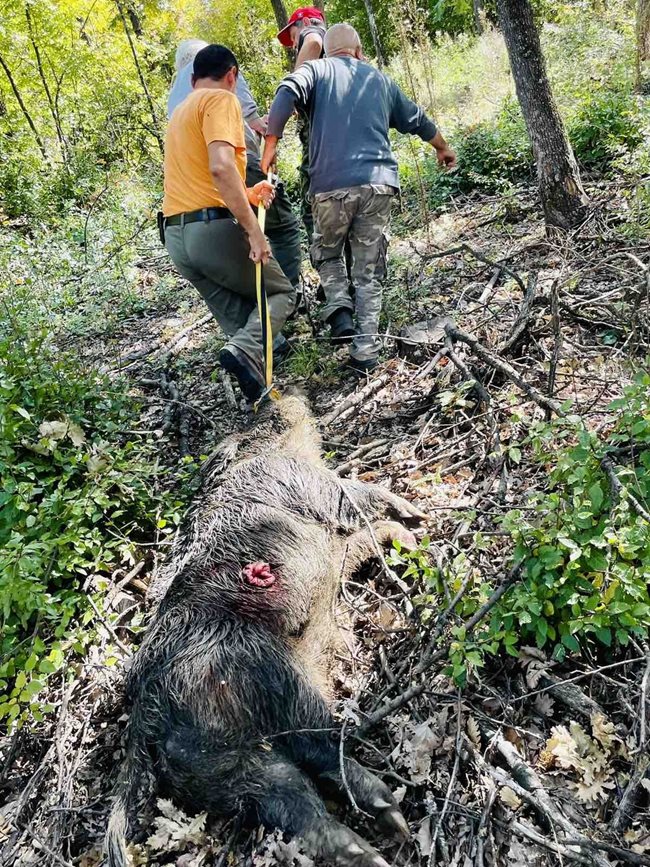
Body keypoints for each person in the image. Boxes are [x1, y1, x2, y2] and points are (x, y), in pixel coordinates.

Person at [264, 23, 456, 374]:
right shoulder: (379, 80)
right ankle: (365, 351)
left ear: (327, 49)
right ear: (359, 50)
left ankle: (338, 309)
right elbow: (418, 120)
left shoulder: (315, 70)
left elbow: (286, 91)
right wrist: (442, 148)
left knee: (327, 251)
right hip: (378, 185)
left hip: (330, 188)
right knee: (368, 271)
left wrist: (271, 143)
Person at [163, 44, 295, 402]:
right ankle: (246, 355)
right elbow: (220, 168)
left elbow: (202, 180)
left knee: (239, 319)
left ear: (192, 80)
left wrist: (250, 193)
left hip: (177, 237)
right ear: (232, 75)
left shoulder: (179, 113)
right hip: (211, 233)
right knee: (281, 292)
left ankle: (262, 394)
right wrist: (254, 231)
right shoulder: (221, 100)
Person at [168, 39, 301, 293]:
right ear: (232, 76)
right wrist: (267, 131)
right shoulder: (221, 85)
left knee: (236, 245)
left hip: (191, 207)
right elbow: (226, 157)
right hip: (236, 167)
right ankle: (287, 293)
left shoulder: (177, 99)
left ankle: (260, 302)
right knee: (282, 226)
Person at [276, 7, 326, 244]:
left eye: (294, 35)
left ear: (305, 22)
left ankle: (331, 278)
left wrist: (297, 83)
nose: (293, 43)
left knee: (312, 212)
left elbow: (314, 40)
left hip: (319, 146)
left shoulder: (314, 35)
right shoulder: (342, 51)